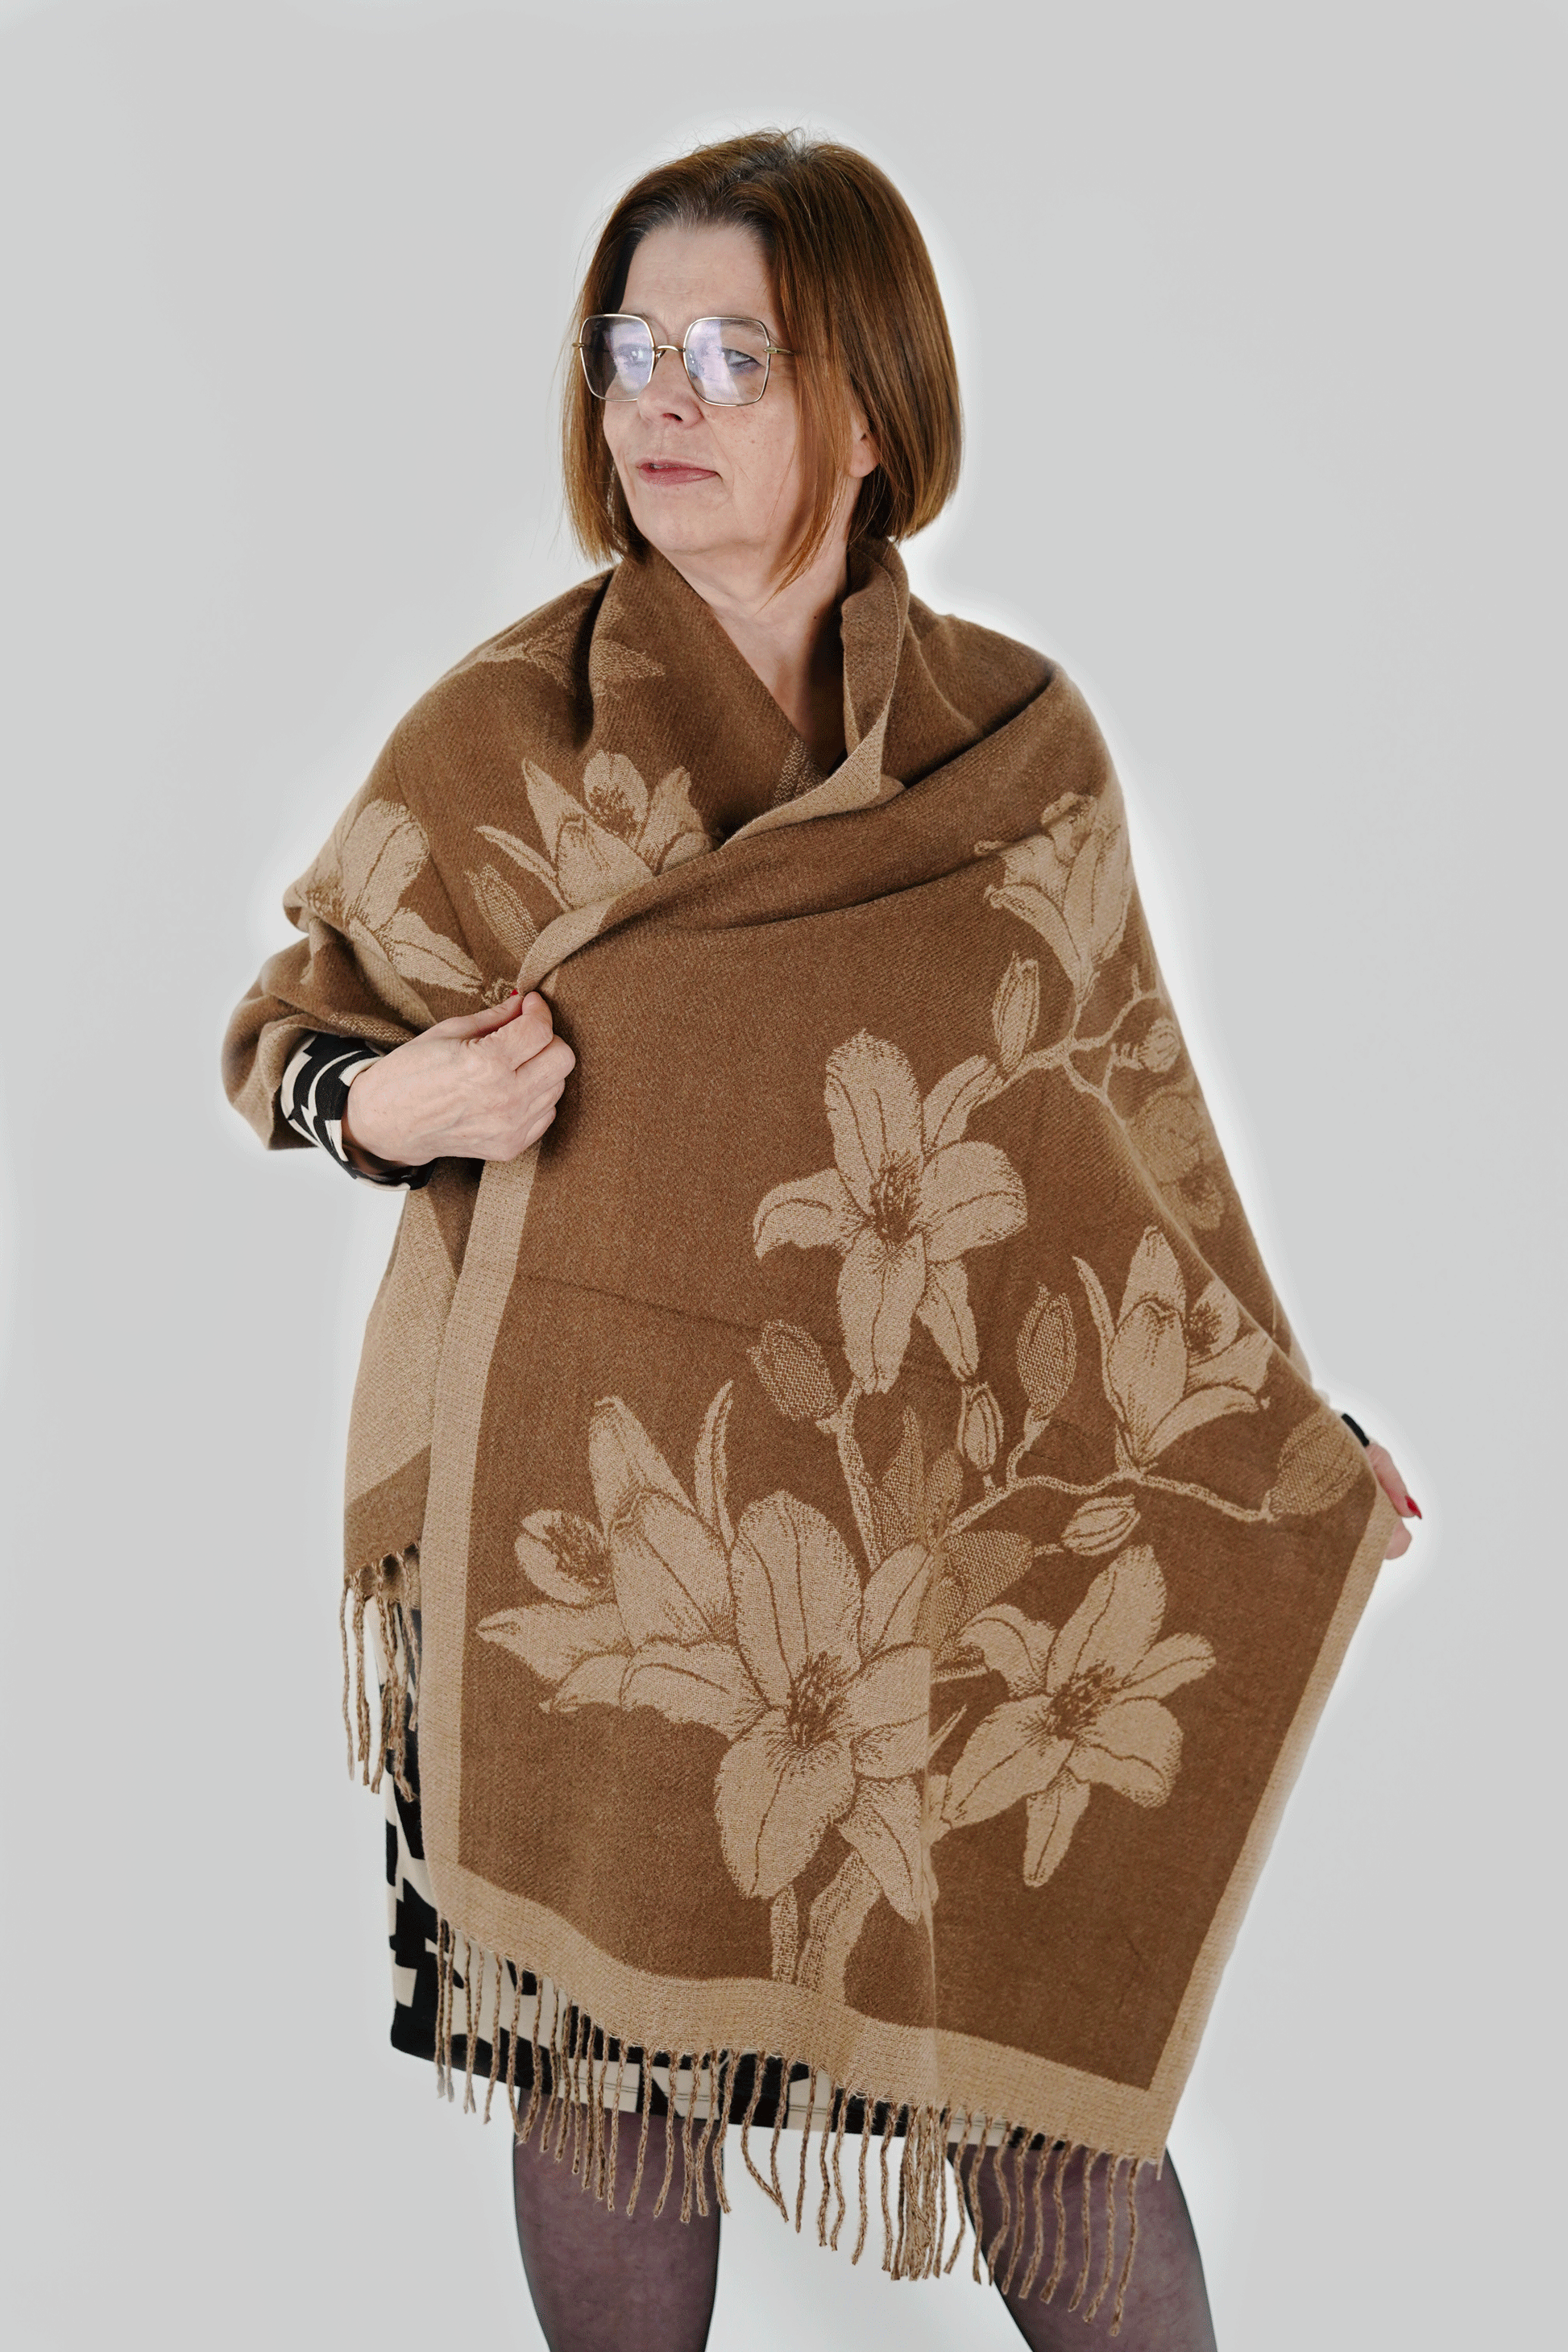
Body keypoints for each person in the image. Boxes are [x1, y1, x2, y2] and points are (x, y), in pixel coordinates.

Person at [224, 130, 1417, 2352]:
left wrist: (1266, 1422)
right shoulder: (504, 743)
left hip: (934, 1533)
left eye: (732, 357)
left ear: (870, 407)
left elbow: (1121, 1140)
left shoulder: (1010, 751)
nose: (658, 402)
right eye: (629, 351)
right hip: (603, 1542)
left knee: (1049, 2096)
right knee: (613, 2088)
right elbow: (292, 1035)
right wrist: (400, 1107)